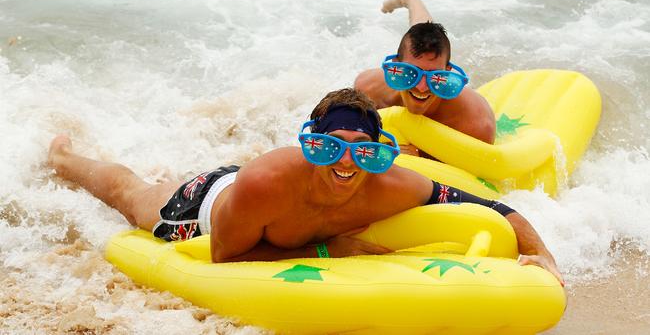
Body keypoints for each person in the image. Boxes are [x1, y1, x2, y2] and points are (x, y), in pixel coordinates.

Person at [47, 88, 562, 285]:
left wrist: (543, 254)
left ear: (378, 154)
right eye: (328, 146)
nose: (346, 162)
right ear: (310, 144)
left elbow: (491, 206)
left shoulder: (392, 184)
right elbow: (224, 260)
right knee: (130, 192)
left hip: (258, 191)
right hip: (206, 208)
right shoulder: (263, 183)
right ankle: (63, 158)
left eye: (363, 150)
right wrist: (326, 247)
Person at [354, 0, 496, 157]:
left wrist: (423, 154)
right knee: (421, 40)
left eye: (435, 77)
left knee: (427, 45)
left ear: (447, 73)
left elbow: (482, 164)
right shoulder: (369, 91)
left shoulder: (475, 123)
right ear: (396, 66)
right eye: (410, 73)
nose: (422, 87)